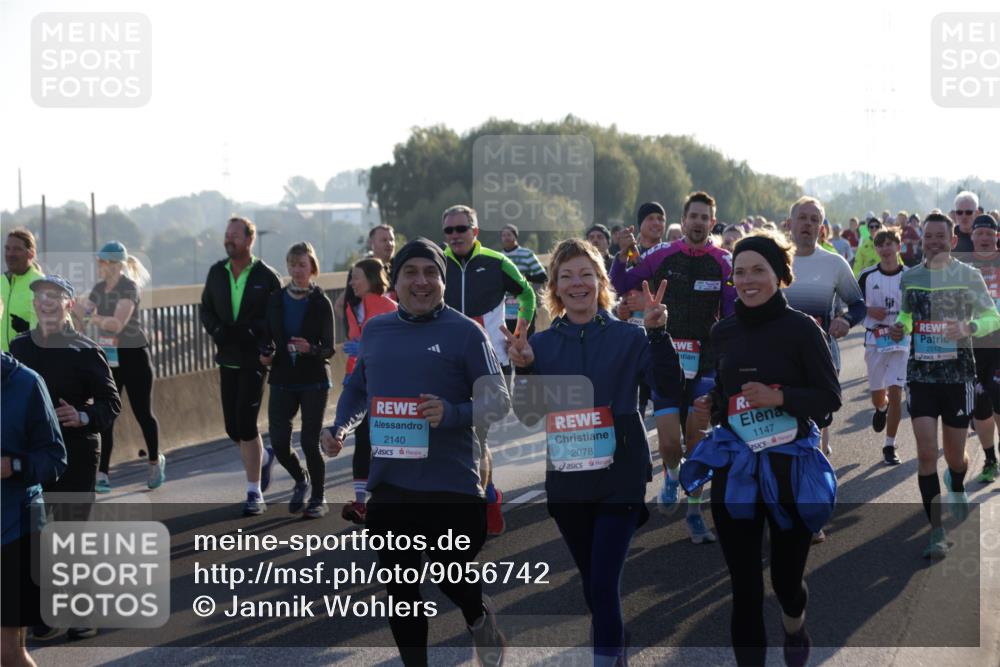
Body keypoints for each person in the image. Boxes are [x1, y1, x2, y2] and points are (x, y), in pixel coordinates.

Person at [321, 238, 510, 667]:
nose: (421, 282)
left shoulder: (466, 332)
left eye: (431, 273)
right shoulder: (376, 329)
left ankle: (478, 615)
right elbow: (357, 389)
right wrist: (339, 429)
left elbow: (498, 400)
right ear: (396, 281)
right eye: (411, 273)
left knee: (451, 577)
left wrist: (453, 412)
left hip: (452, 484)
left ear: (442, 281)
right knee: (401, 591)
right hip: (390, 485)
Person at [504, 238, 682, 666]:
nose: (577, 283)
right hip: (567, 480)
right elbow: (528, 416)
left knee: (602, 583)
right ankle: (614, 646)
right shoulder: (540, 345)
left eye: (586, 274)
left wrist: (658, 335)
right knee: (592, 584)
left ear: (602, 282)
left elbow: (670, 388)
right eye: (567, 276)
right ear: (555, 288)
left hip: (619, 475)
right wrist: (524, 368)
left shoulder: (631, 336)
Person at [682, 231, 840, 667]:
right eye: (740, 272)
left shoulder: (802, 330)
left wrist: (781, 398)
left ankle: (794, 623)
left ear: (779, 275)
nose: (748, 280)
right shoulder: (724, 331)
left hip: (790, 469)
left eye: (759, 270)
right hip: (737, 470)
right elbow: (728, 399)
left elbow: (829, 400)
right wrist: (710, 405)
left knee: (786, 582)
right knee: (746, 589)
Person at [611, 191, 736, 544]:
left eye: (704, 217)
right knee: (669, 443)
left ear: (712, 222)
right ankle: (671, 474)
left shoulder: (724, 261)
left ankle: (695, 515)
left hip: (706, 363)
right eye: (693, 216)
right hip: (664, 360)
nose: (698, 222)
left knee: (695, 440)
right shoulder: (662, 254)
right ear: (685, 219)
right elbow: (622, 283)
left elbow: (730, 312)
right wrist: (622, 255)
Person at [10, 275, 121, 642]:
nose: (46, 302)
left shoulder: (86, 350)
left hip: (77, 449)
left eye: (55, 297)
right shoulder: (19, 348)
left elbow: (111, 404)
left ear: (69, 305)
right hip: (35, 451)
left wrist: (83, 415)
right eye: (41, 296)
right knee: (38, 534)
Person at [888, 213, 1000, 558]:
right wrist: (901, 327)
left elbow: (992, 316)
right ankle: (936, 532)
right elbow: (907, 314)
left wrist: (969, 328)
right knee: (925, 453)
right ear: (922, 241)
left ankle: (956, 481)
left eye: (941, 237)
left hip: (958, 377)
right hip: (921, 375)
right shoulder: (912, 276)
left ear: (952, 241)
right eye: (928, 237)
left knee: (954, 456)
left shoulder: (968, 275)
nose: (934, 242)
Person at [440, 204, 536, 536]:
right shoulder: (437, 264)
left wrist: (521, 331)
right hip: (447, 363)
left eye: (461, 229)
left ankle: (478, 505)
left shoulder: (497, 262)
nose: (454, 236)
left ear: (475, 232)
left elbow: (527, 294)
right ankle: (488, 494)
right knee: (458, 437)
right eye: (449, 231)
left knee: (476, 437)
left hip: (491, 362)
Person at [199, 217, 282, 516]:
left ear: (249, 240)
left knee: (246, 424)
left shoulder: (266, 275)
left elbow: (276, 316)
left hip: (254, 360)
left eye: (234, 235)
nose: (228, 239)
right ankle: (262, 457)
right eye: (226, 234)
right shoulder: (216, 273)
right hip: (227, 357)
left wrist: (256, 335)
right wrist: (218, 331)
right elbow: (205, 309)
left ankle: (253, 492)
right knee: (232, 427)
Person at [73, 241, 163, 493]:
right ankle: (102, 473)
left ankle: (155, 461)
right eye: (98, 261)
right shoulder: (99, 288)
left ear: (115, 265)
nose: (99, 266)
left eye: (102, 262)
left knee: (142, 413)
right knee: (107, 415)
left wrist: (91, 317)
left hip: (134, 358)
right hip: (109, 359)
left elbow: (116, 324)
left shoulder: (129, 287)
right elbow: (82, 314)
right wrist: (72, 308)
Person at [782, 197, 865, 464]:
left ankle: (814, 477)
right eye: (802, 218)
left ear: (822, 228)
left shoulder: (834, 264)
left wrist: (847, 320)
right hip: (779, 355)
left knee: (816, 421)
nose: (808, 223)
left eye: (814, 219)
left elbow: (858, 305)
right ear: (789, 224)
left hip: (822, 354)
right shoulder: (772, 261)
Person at [260, 242, 335, 519]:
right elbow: (266, 336)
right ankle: (300, 478)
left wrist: (311, 349)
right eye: (292, 264)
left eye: (302, 264)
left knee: (308, 441)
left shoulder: (320, 302)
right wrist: (265, 354)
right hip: (282, 377)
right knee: (279, 442)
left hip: (313, 379)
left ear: (312, 267)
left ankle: (318, 497)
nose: (296, 270)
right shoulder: (277, 299)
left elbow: (329, 348)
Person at [1, 352, 66, 667]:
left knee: (8, 654)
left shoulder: (27, 383)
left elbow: (55, 457)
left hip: (15, 528)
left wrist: (12, 465)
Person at [340, 257, 397, 523]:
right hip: (358, 380)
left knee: (383, 442)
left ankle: (390, 498)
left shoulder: (389, 306)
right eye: (352, 277)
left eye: (356, 277)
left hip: (386, 383)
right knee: (362, 439)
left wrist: (365, 348)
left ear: (372, 279)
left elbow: (397, 342)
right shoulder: (353, 307)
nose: (352, 282)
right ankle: (361, 501)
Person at [858, 230, 908, 465]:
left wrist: (907, 324)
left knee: (896, 392)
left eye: (889, 243)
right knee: (879, 396)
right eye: (880, 245)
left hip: (900, 340)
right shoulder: (867, 276)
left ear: (898, 246)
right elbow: (854, 304)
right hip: (875, 339)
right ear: (876, 249)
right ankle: (881, 408)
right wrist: (868, 310)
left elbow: (920, 306)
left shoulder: (910, 276)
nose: (885, 248)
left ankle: (890, 445)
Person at [966, 215, 1000, 484]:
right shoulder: (963, 268)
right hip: (974, 345)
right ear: (973, 237)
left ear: (996, 236)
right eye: (981, 234)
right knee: (980, 408)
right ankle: (990, 459)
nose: (985, 237)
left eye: (990, 233)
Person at [334, 224, 396, 320]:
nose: (389, 244)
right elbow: (340, 305)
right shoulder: (360, 269)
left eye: (392, 240)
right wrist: (354, 329)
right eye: (384, 240)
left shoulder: (402, 268)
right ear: (371, 243)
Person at [500, 223, 547, 337]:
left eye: (509, 235)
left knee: (527, 337)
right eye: (503, 235)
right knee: (507, 339)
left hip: (525, 303)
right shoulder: (499, 257)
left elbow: (542, 276)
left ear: (515, 237)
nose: (506, 237)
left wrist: (525, 277)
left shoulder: (527, 254)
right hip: (505, 306)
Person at [2, 229, 45, 352]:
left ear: (31, 254)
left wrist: (28, 331)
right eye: (7, 248)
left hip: (30, 364)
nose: (10, 254)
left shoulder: (43, 284)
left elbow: (59, 328)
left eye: (17, 249)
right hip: (3, 364)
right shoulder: (1, 282)